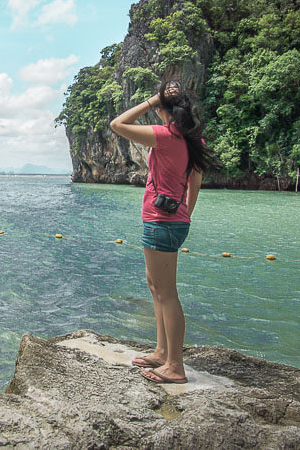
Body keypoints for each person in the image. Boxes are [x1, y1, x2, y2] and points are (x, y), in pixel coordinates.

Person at [109, 80, 215, 384]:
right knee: (156, 286)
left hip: (160, 221)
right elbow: (194, 184)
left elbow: (118, 123)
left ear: (164, 109)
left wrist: (151, 101)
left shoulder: (166, 136)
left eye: (159, 107)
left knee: (166, 293)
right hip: (175, 220)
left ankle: (175, 366)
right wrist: (186, 216)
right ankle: (161, 351)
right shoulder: (195, 141)